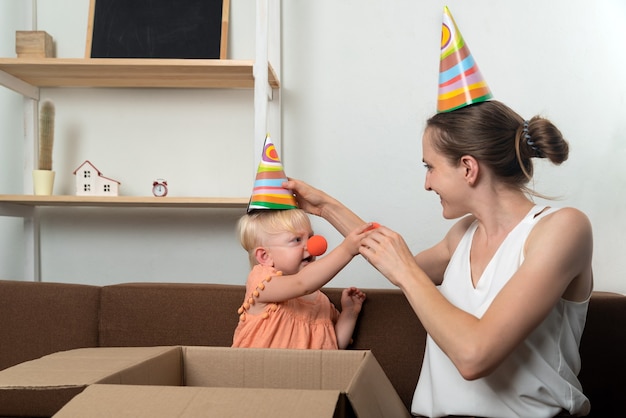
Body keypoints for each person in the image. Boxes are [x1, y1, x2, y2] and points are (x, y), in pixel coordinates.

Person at [284, 100, 593, 417]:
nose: (427, 183)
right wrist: (327, 207)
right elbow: (392, 260)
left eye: (430, 167)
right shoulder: (463, 234)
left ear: (468, 168)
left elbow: (474, 356)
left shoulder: (562, 229)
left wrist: (405, 270)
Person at [232, 208, 369, 350]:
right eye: (297, 240)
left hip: (306, 371)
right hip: (255, 370)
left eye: (310, 237)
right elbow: (302, 283)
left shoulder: (320, 301)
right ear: (265, 256)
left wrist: (350, 312)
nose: (310, 246)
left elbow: (335, 345)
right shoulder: (262, 283)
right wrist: (347, 250)